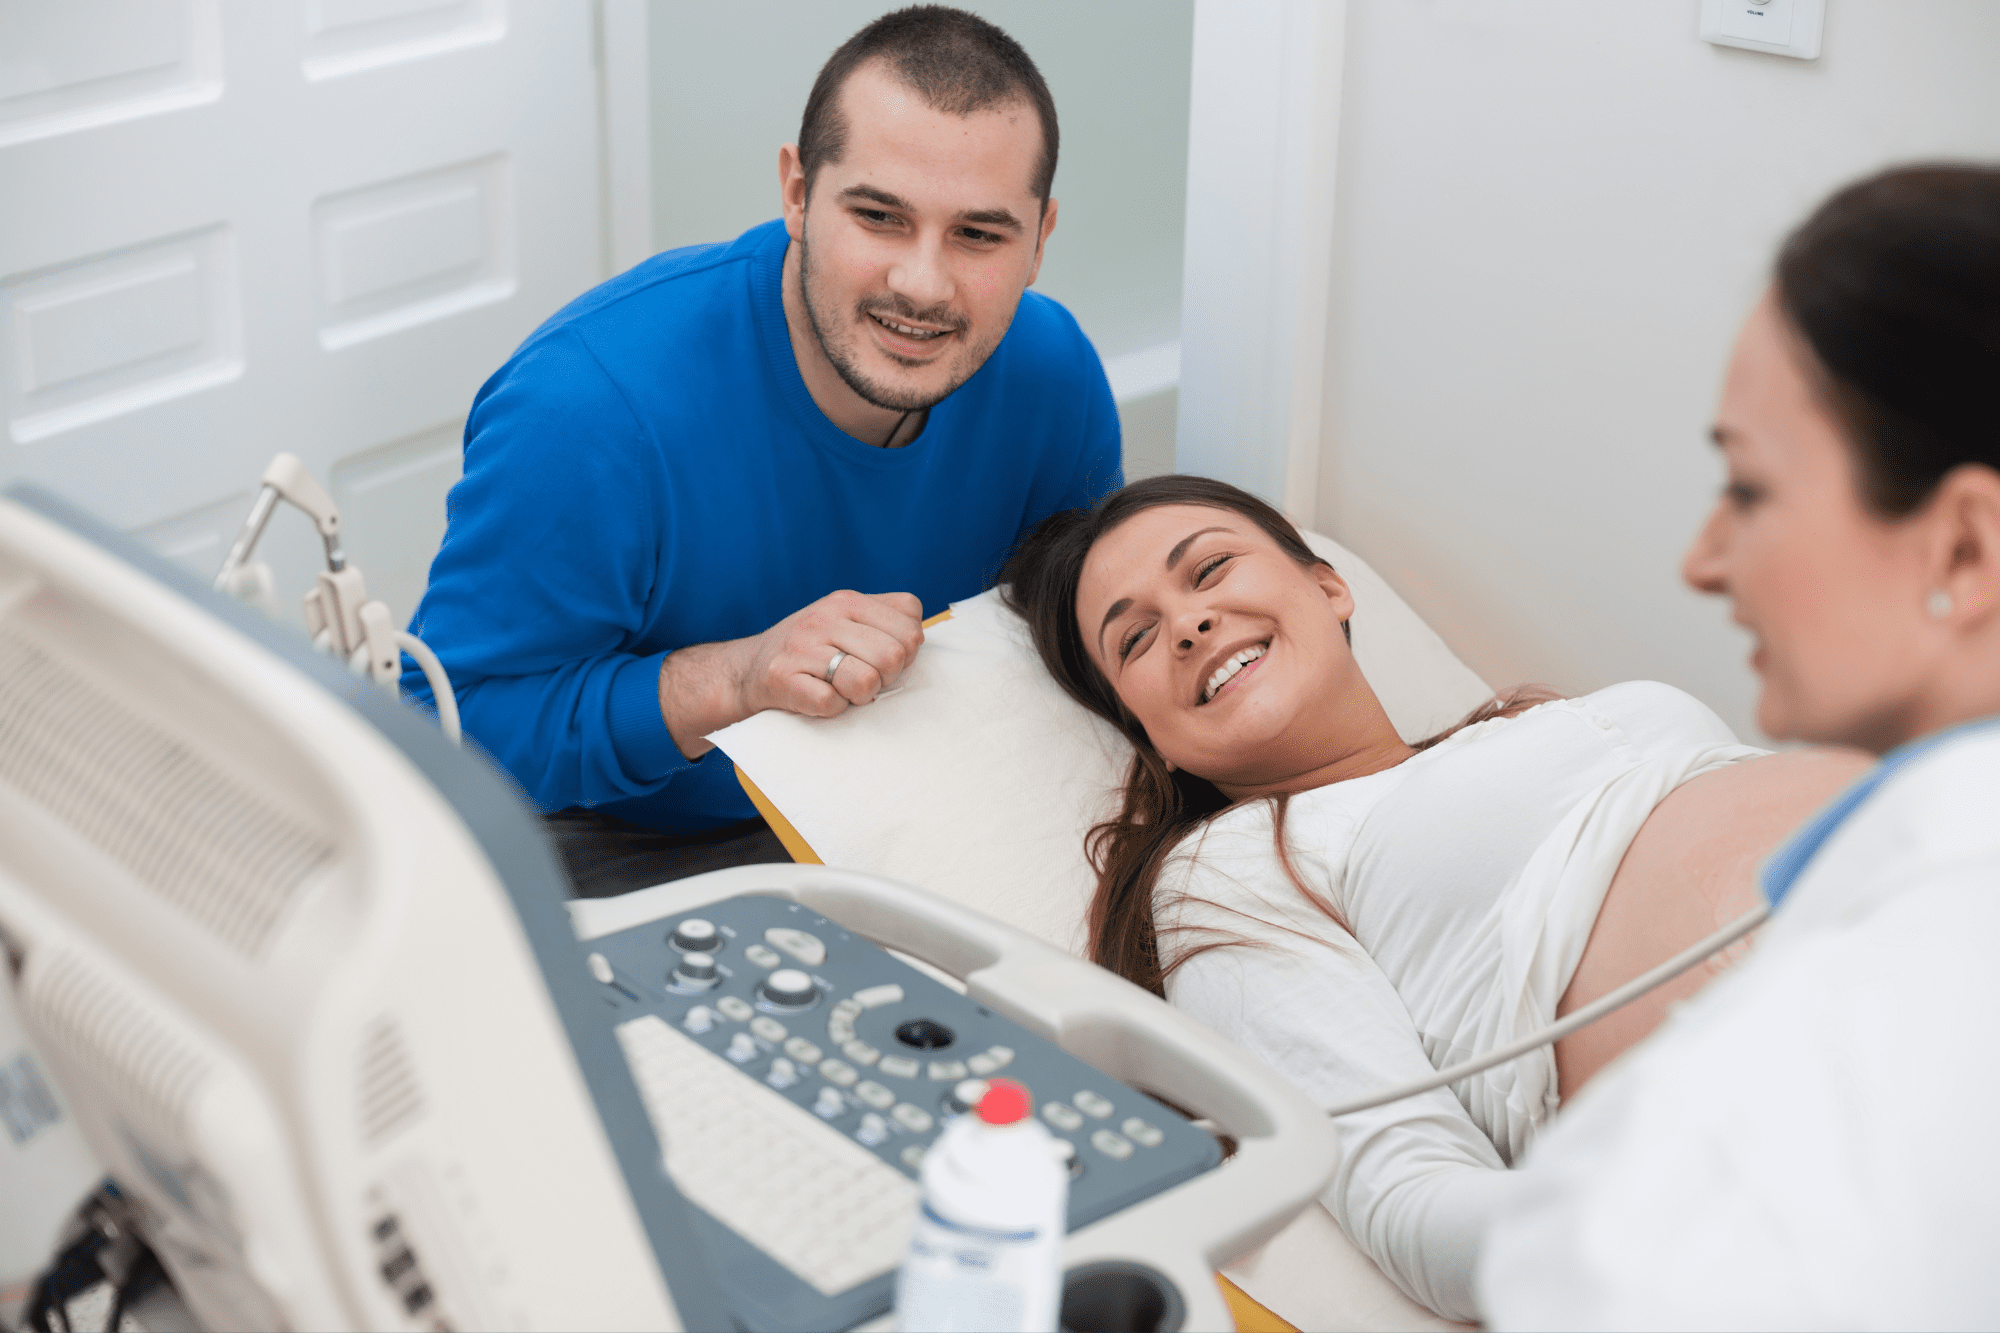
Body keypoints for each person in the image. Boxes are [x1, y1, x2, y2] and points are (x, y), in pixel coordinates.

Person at [997, 474, 1869, 1320]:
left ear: (1329, 585)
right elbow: (1409, 1194)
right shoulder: (1228, 871)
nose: (1186, 622)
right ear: (1155, 739)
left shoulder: (1521, 723)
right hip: (1825, 1108)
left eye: (1209, 569)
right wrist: (1668, 1217)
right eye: (1136, 640)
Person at [405, 7, 1122, 894]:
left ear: (1041, 238)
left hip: (908, 806)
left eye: (978, 234)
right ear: (796, 192)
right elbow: (444, 728)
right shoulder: (588, 408)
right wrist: (735, 677)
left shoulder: (1054, 373)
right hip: (619, 834)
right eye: (879, 216)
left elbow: (1069, 652)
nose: (923, 284)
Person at [1477, 164, 2000, 1328]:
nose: (1701, 562)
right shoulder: (1244, 867)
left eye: (1748, 490)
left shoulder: (1798, 1103)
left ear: (1962, 549)